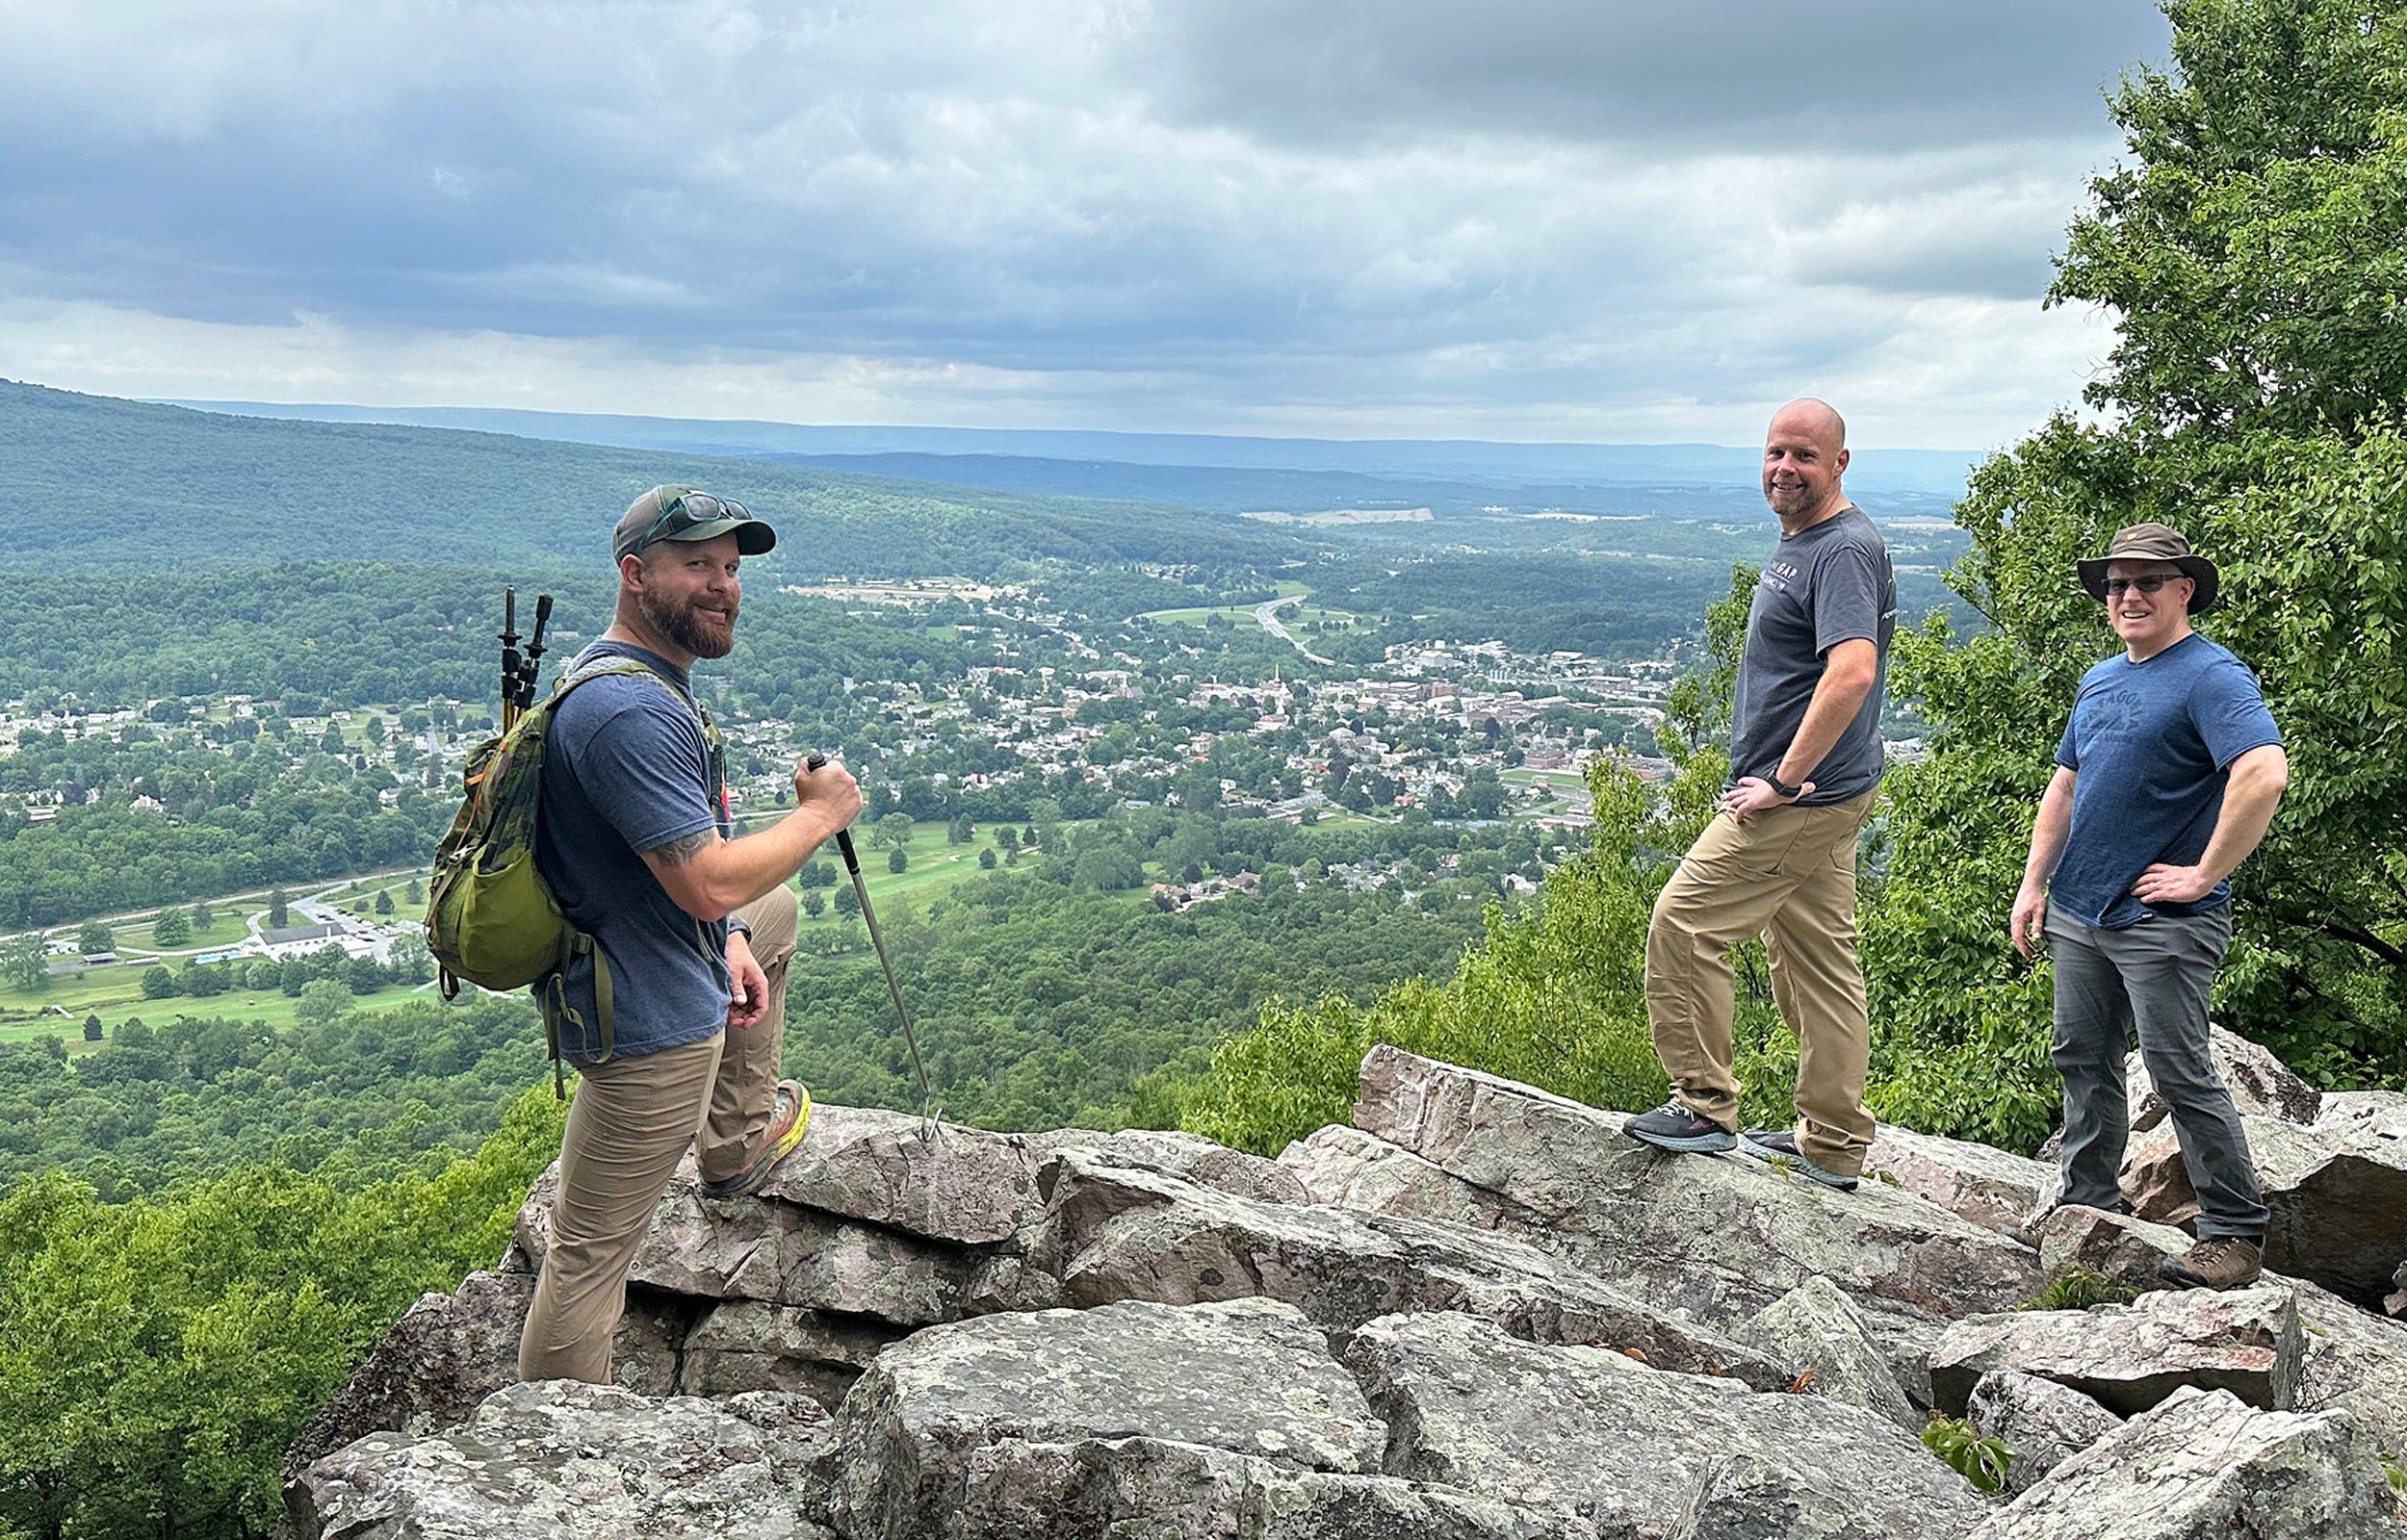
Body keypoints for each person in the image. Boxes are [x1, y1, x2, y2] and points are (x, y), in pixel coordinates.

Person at [518, 485, 864, 1383]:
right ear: (636, 576)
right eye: (696, 565)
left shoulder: (627, 677)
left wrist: (730, 941)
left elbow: (707, 897)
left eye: (730, 567)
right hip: (649, 1025)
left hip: (660, 959)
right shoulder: (629, 711)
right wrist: (821, 817)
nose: (721, 585)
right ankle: (553, 1455)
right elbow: (707, 883)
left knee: (771, 915)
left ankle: (736, 1141)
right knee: (588, 1252)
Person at [1626, 398, 1895, 1191]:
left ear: (1840, 463)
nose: (1786, 468)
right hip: (1833, 792)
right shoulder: (1811, 544)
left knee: (1684, 924)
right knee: (1817, 962)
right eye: (1777, 452)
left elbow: (1852, 670)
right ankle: (1833, 1143)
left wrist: (1782, 780)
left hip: (1802, 799)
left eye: (1805, 456)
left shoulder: (1841, 549)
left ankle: (1705, 1106)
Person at [2009, 523, 2287, 1291]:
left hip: (2161, 921)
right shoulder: (2102, 679)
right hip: (2080, 909)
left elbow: (2263, 772)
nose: (2128, 596)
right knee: (2081, 1058)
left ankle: (2233, 1234)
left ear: (2183, 590)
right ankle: (2088, 1204)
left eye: (2147, 583)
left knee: (2178, 1073)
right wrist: (2035, 885)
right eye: (2116, 585)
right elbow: (2065, 786)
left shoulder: (2211, 676)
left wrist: (2203, 875)